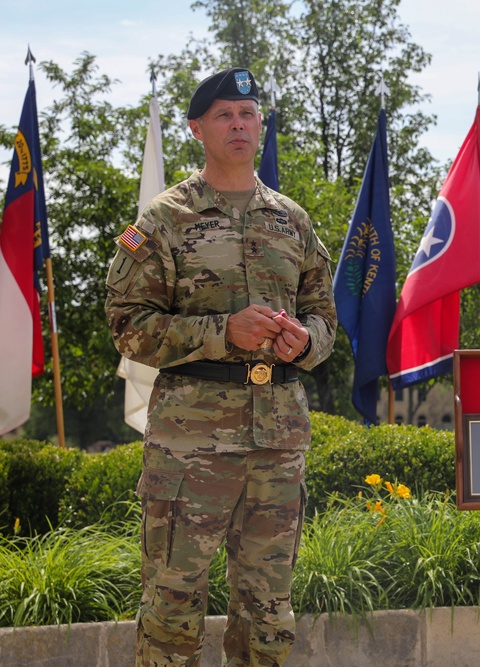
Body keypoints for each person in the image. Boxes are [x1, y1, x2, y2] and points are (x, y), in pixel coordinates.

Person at [106, 67, 337, 667]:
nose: (239, 124)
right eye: (224, 115)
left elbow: (324, 320)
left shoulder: (292, 220)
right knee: (173, 603)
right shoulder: (164, 219)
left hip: (278, 439)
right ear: (197, 129)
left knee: (269, 609)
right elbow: (127, 325)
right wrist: (220, 332)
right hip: (192, 443)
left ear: (260, 125)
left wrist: (302, 343)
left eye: (248, 113)